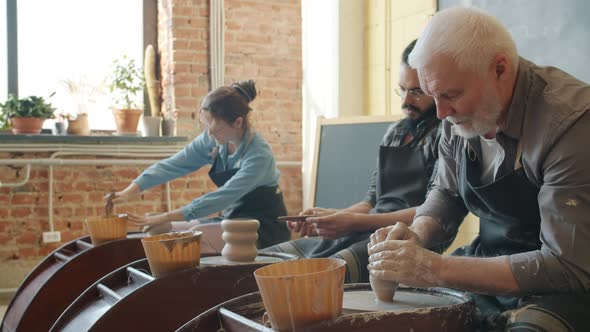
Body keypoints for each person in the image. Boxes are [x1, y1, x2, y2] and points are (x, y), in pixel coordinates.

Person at [368, 7, 590, 331]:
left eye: (450, 95)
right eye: (434, 96)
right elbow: (445, 192)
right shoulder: (456, 112)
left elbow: (565, 266)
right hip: (491, 257)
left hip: (566, 283)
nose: (441, 113)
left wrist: (435, 268)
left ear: (499, 69)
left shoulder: (570, 123)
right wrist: (416, 235)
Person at [264, 40, 442, 282]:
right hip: (365, 230)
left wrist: (354, 222)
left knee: (317, 278)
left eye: (416, 92)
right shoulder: (395, 132)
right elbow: (371, 201)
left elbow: (433, 212)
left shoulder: (444, 136)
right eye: (402, 89)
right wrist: (330, 218)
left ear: (437, 88)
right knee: (267, 261)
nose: (405, 101)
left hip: (405, 240)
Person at [106, 80, 290, 248]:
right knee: (160, 230)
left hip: (263, 226)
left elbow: (222, 197)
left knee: (186, 241)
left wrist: (167, 215)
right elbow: (173, 165)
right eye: (206, 126)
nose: (209, 134)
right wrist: (130, 190)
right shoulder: (215, 139)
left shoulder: (259, 154)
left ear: (238, 122)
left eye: (214, 127)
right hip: (232, 218)